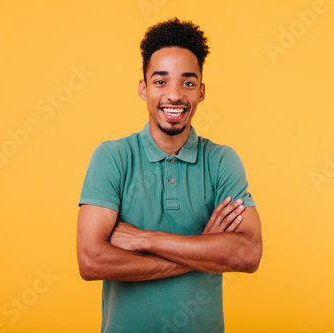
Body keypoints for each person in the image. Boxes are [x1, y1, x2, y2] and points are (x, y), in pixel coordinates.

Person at [77, 17, 263, 333]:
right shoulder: (112, 157)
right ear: (143, 88)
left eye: (187, 82)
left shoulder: (221, 161)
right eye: (161, 81)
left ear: (201, 92)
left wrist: (143, 238)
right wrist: (204, 250)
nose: (174, 95)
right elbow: (92, 260)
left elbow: (247, 254)